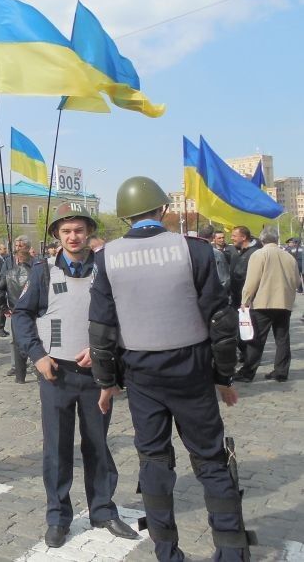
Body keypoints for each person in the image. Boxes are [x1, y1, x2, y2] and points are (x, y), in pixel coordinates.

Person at [89, 177, 251, 562]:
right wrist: (223, 377)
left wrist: (105, 382)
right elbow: (220, 320)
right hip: (191, 367)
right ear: (162, 210)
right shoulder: (193, 250)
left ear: (124, 215)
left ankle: (166, 551)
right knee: (211, 459)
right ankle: (231, 550)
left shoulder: (106, 257)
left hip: (141, 371)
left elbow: (101, 327)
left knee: (155, 461)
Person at [14, 203, 137, 548]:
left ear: (89, 234)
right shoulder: (41, 273)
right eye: (66, 231)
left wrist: (105, 351)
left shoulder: (105, 269)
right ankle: (58, 516)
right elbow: (21, 317)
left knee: (97, 444)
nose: (73, 237)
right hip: (56, 374)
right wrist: (37, 356)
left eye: (79, 230)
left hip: (97, 374)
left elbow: (122, 316)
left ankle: (103, 509)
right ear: (57, 235)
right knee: (57, 448)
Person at [234, 226, 298, 382]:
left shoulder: (259, 254)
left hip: (263, 303)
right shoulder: (289, 257)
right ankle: (281, 372)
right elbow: (297, 281)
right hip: (284, 303)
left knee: (256, 340)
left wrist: (245, 300)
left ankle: (248, 372)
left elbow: (251, 281)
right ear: (276, 239)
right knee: (282, 339)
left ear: (262, 240)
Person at [0, 235, 33, 382]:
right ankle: (21, 368)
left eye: (20, 246)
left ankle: (20, 375)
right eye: (16, 246)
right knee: (26, 340)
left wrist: (4, 307)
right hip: (30, 310)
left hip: (17, 311)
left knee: (19, 342)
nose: (17, 248)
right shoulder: (33, 271)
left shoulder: (12, 272)